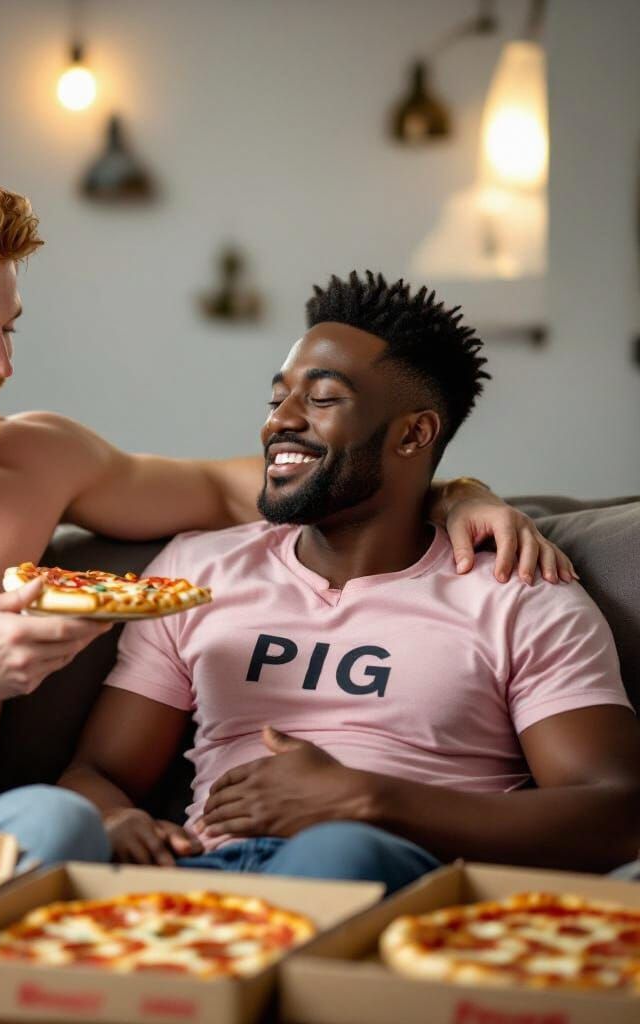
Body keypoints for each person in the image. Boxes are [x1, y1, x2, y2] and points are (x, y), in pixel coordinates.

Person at [0, 163, 570, 865]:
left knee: (59, 818)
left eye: (9, 331)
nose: (0, 365)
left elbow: (248, 485)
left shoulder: (34, 459)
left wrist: (454, 490)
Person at [60, 271, 640, 891]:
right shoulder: (196, 569)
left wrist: (369, 800)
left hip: (400, 881)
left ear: (413, 434)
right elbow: (98, 772)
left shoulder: (518, 590)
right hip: (205, 881)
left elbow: (617, 812)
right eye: (277, 397)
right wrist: (116, 819)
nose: (278, 421)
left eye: (322, 398)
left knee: (340, 853)